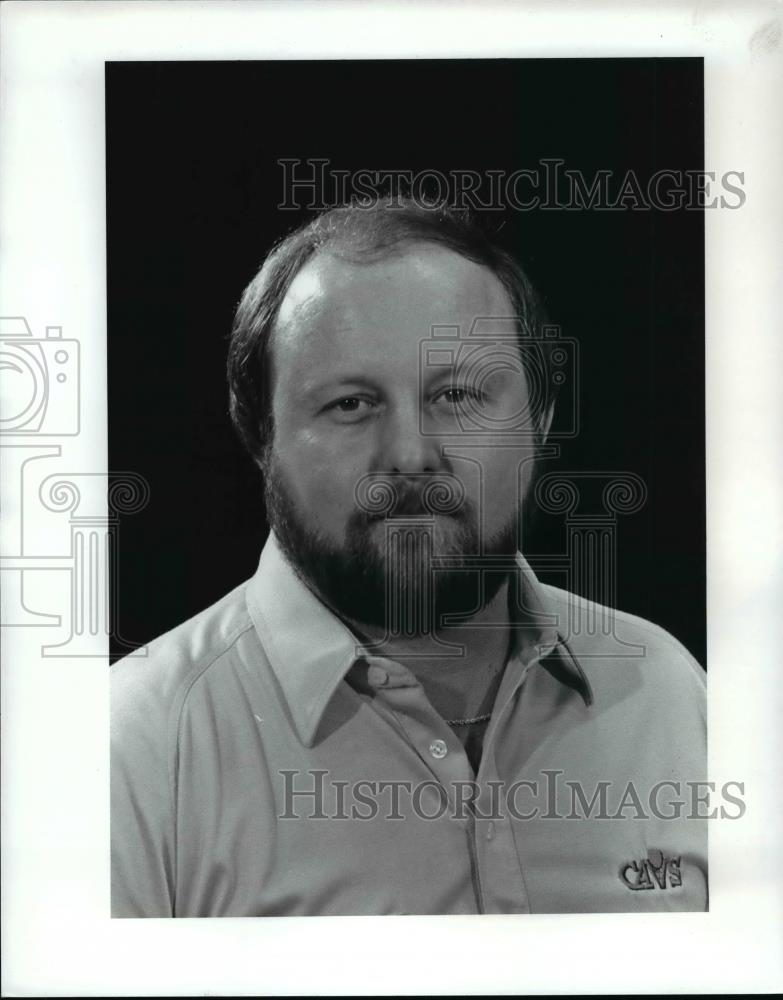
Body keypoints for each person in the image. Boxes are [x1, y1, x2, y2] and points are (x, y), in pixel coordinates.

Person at [111, 199, 708, 916]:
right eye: (351, 404)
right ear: (260, 436)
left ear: (540, 419)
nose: (408, 455)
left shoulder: (665, 692)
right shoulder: (132, 749)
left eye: (456, 395)